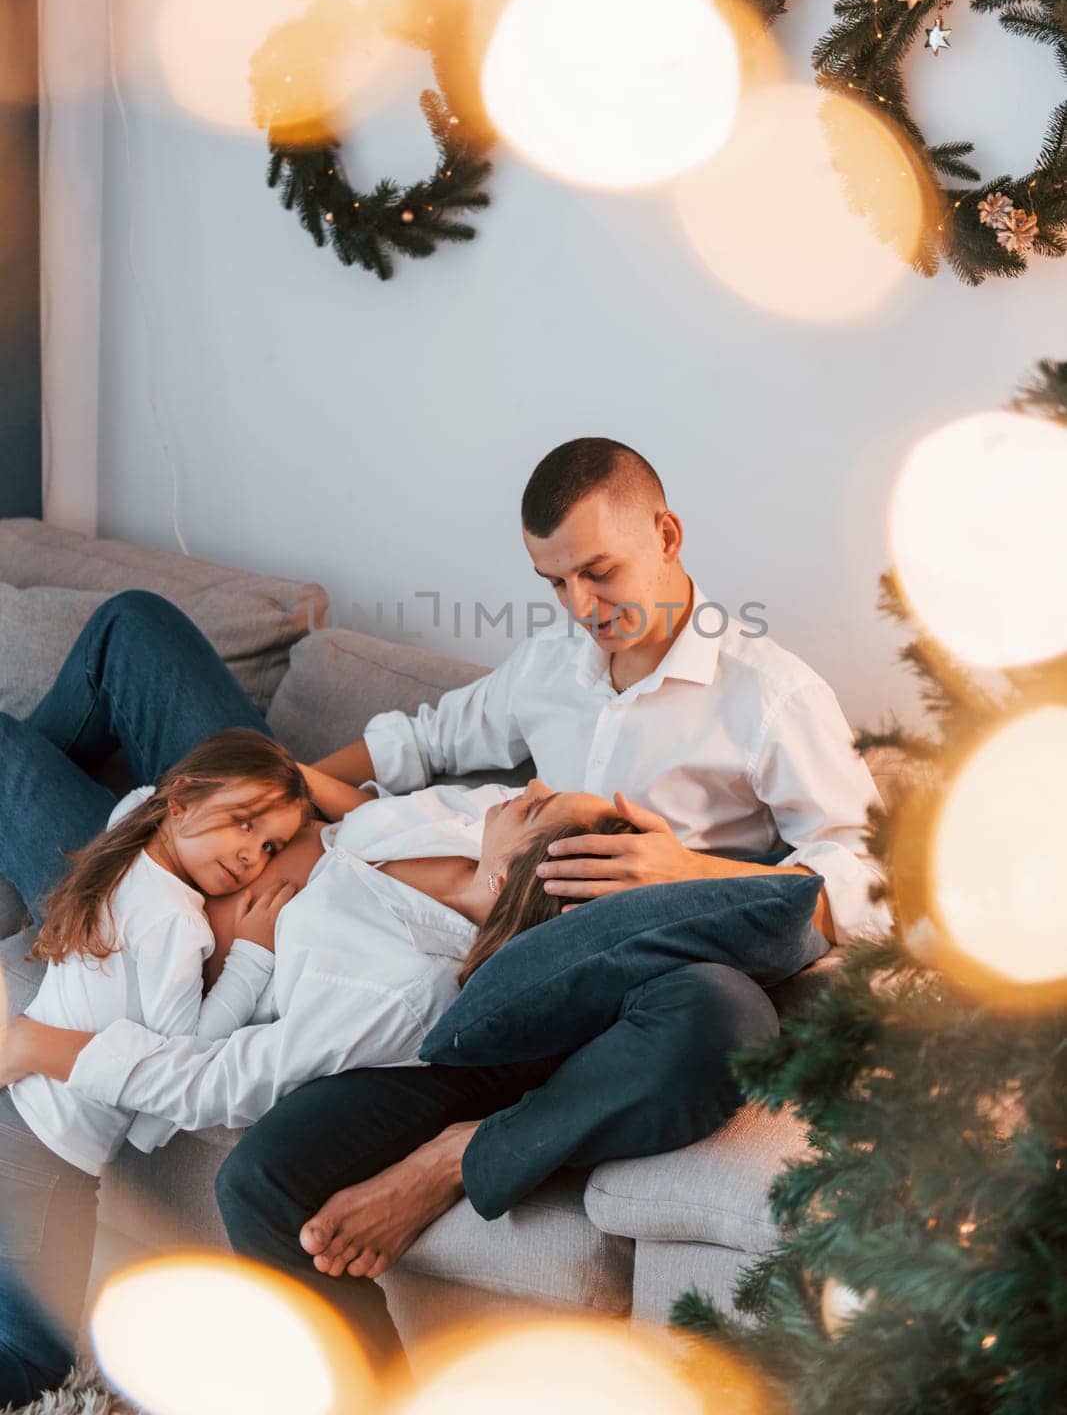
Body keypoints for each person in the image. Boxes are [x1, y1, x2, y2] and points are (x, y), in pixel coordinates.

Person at [0, 434, 886, 1375]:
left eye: (598, 571)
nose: (581, 607)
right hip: (364, 872)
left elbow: (867, 881)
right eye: (553, 582)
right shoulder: (556, 670)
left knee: (716, 1012)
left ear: (666, 534)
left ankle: (451, 1164)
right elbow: (420, 739)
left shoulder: (768, 697)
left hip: (564, 989)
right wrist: (280, 800)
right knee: (136, 629)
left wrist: (686, 871)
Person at [3, 777, 651, 1383]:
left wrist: (40, 1045)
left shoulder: (397, 988)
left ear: (507, 877)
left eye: (536, 807)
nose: (530, 785)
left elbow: (223, 1083)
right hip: (169, 847)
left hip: (139, 947)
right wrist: (273, 782)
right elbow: (349, 806)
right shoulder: (469, 821)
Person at [0, 730, 310, 1408]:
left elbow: (142, 796)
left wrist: (194, 803)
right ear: (181, 803)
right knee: (34, 1356)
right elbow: (183, 1060)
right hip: (48, 1154)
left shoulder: (122, 848)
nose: (250, 855)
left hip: (17, 1116)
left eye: (270, 847)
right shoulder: (179, 924)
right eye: (245, 822)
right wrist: (251, 957)